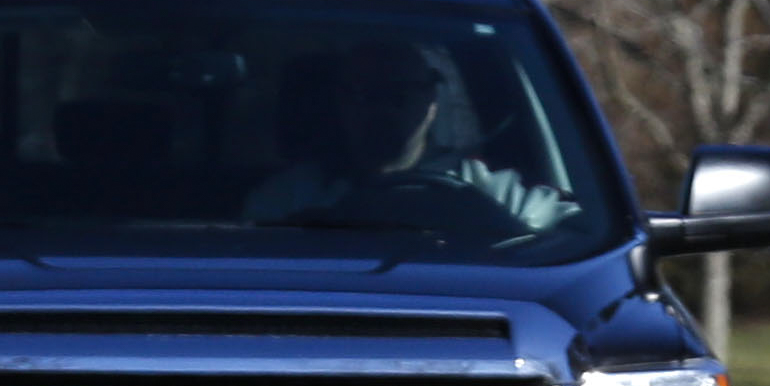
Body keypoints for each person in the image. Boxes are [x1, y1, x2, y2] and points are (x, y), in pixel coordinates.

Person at [244, 39, 577, 231]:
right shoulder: (284, 200)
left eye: (399, 94)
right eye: (365, 94)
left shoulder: (496, 192)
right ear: (340, 102)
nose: (382, 109)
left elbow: (581, 237)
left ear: (431, 102)